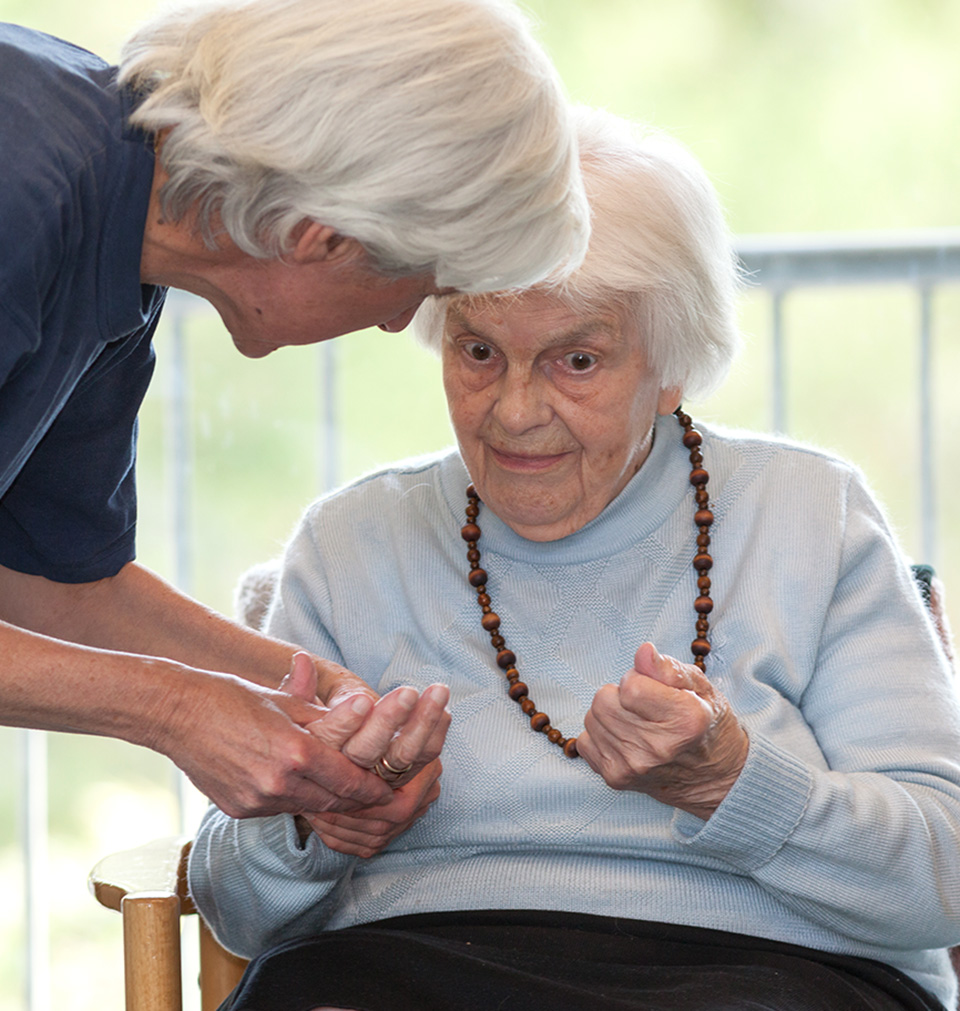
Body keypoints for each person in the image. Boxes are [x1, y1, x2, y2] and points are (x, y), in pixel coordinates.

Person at [188, 107, 960, 1011]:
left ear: (673, 364)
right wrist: (316, 826)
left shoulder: (810, 517)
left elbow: (940, 874)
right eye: (480, 351)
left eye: (577, 360)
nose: (514, 411)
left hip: (763, 976)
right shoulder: (350, 541)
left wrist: (732, 781)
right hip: (399, 970)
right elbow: (234, 908)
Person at [0, 0, 589, 819]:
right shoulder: (19, 192)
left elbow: (51, 581)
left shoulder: (118, 240)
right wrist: (174, 708)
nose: (392, 322)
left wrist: (308, 691)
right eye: (417, 288)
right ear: (324, 236)